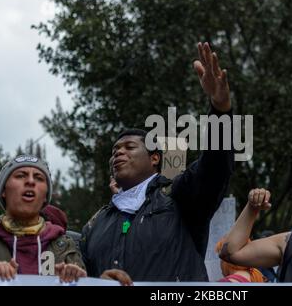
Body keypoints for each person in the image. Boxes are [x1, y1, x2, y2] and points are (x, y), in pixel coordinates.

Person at [80, 42, 234, 281]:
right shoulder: (95, 224)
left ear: (154, 159)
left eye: (129, 147)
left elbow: (215, 167)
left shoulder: (179, 197)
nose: (118, 153)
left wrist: (220, 110)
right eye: (114, 150)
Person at [0, 155, 86, 283]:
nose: (31, 181)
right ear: (3, 191)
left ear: (45, 196)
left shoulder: (69, 247)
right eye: (21, 175)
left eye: (39, 178)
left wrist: (80, 280)